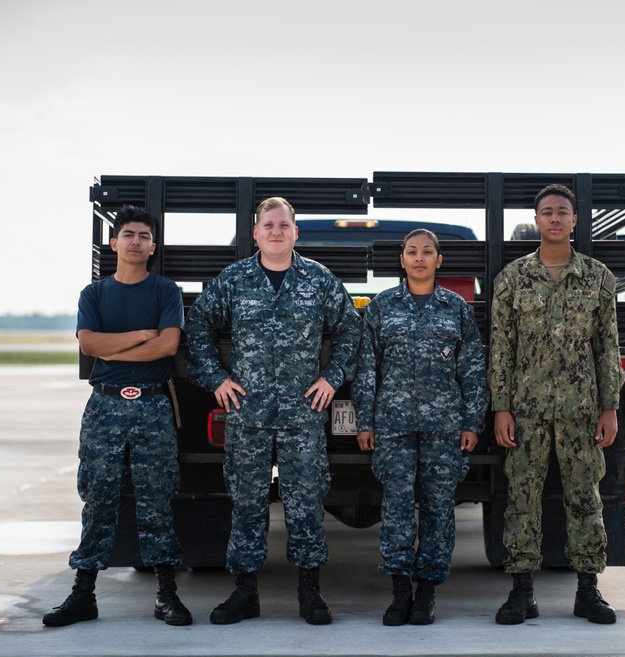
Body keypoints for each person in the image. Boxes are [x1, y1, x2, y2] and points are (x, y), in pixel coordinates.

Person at [185, 196, 361, 626]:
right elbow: (197, 328)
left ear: (295, 232)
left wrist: (333, 377)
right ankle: (245, 593)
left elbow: (351, 331)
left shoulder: (319, 280)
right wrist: (215, 379)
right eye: (269, 225)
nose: (277, 231)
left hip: (302, 415)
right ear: (256, 233)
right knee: (247, 504)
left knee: (305, 503)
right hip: (249, 414)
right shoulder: (235, 280)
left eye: (284, 225)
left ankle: (310, 594)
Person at [44, 205, 191, 627]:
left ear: (152, 247)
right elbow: (89, 345)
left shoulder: (165, 291)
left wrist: (116, 346)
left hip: (151, 403)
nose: (135, 241)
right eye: (128, 234)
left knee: (157, 499)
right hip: (105, 405)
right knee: (98, 499)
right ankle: (83, 595)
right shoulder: (94, 294)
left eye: (144, 236)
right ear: (114, 243)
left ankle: (166, 595)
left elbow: (166, 347)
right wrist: (140, 335)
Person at [488, 184, 625, 626]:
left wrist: (610, 406)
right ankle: (522, 592)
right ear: (537, 220)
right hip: (525, 410)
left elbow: (607, 346)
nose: (554, 219)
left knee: (585, 497)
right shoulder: (512, 278)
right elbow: (501, 348)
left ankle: (588, 590)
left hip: (581, 410)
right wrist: (501, 407)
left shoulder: (598, 277)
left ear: (574, 221)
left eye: (562, 212)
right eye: (546, 212)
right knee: (522, 499)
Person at [353, 229, 488, 626]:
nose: (419, 258)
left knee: (438, 508)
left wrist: (472, 422)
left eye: (427, 252)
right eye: (412, 252)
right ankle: (398, 593)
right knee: (396, 507)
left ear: (438, 260)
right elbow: (367, 369)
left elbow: (473, 370)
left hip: (444, 426)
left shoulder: (457, 309)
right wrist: (365, 420)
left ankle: (426, 592)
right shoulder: (381, 307)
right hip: (393, 425)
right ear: (402, 259)